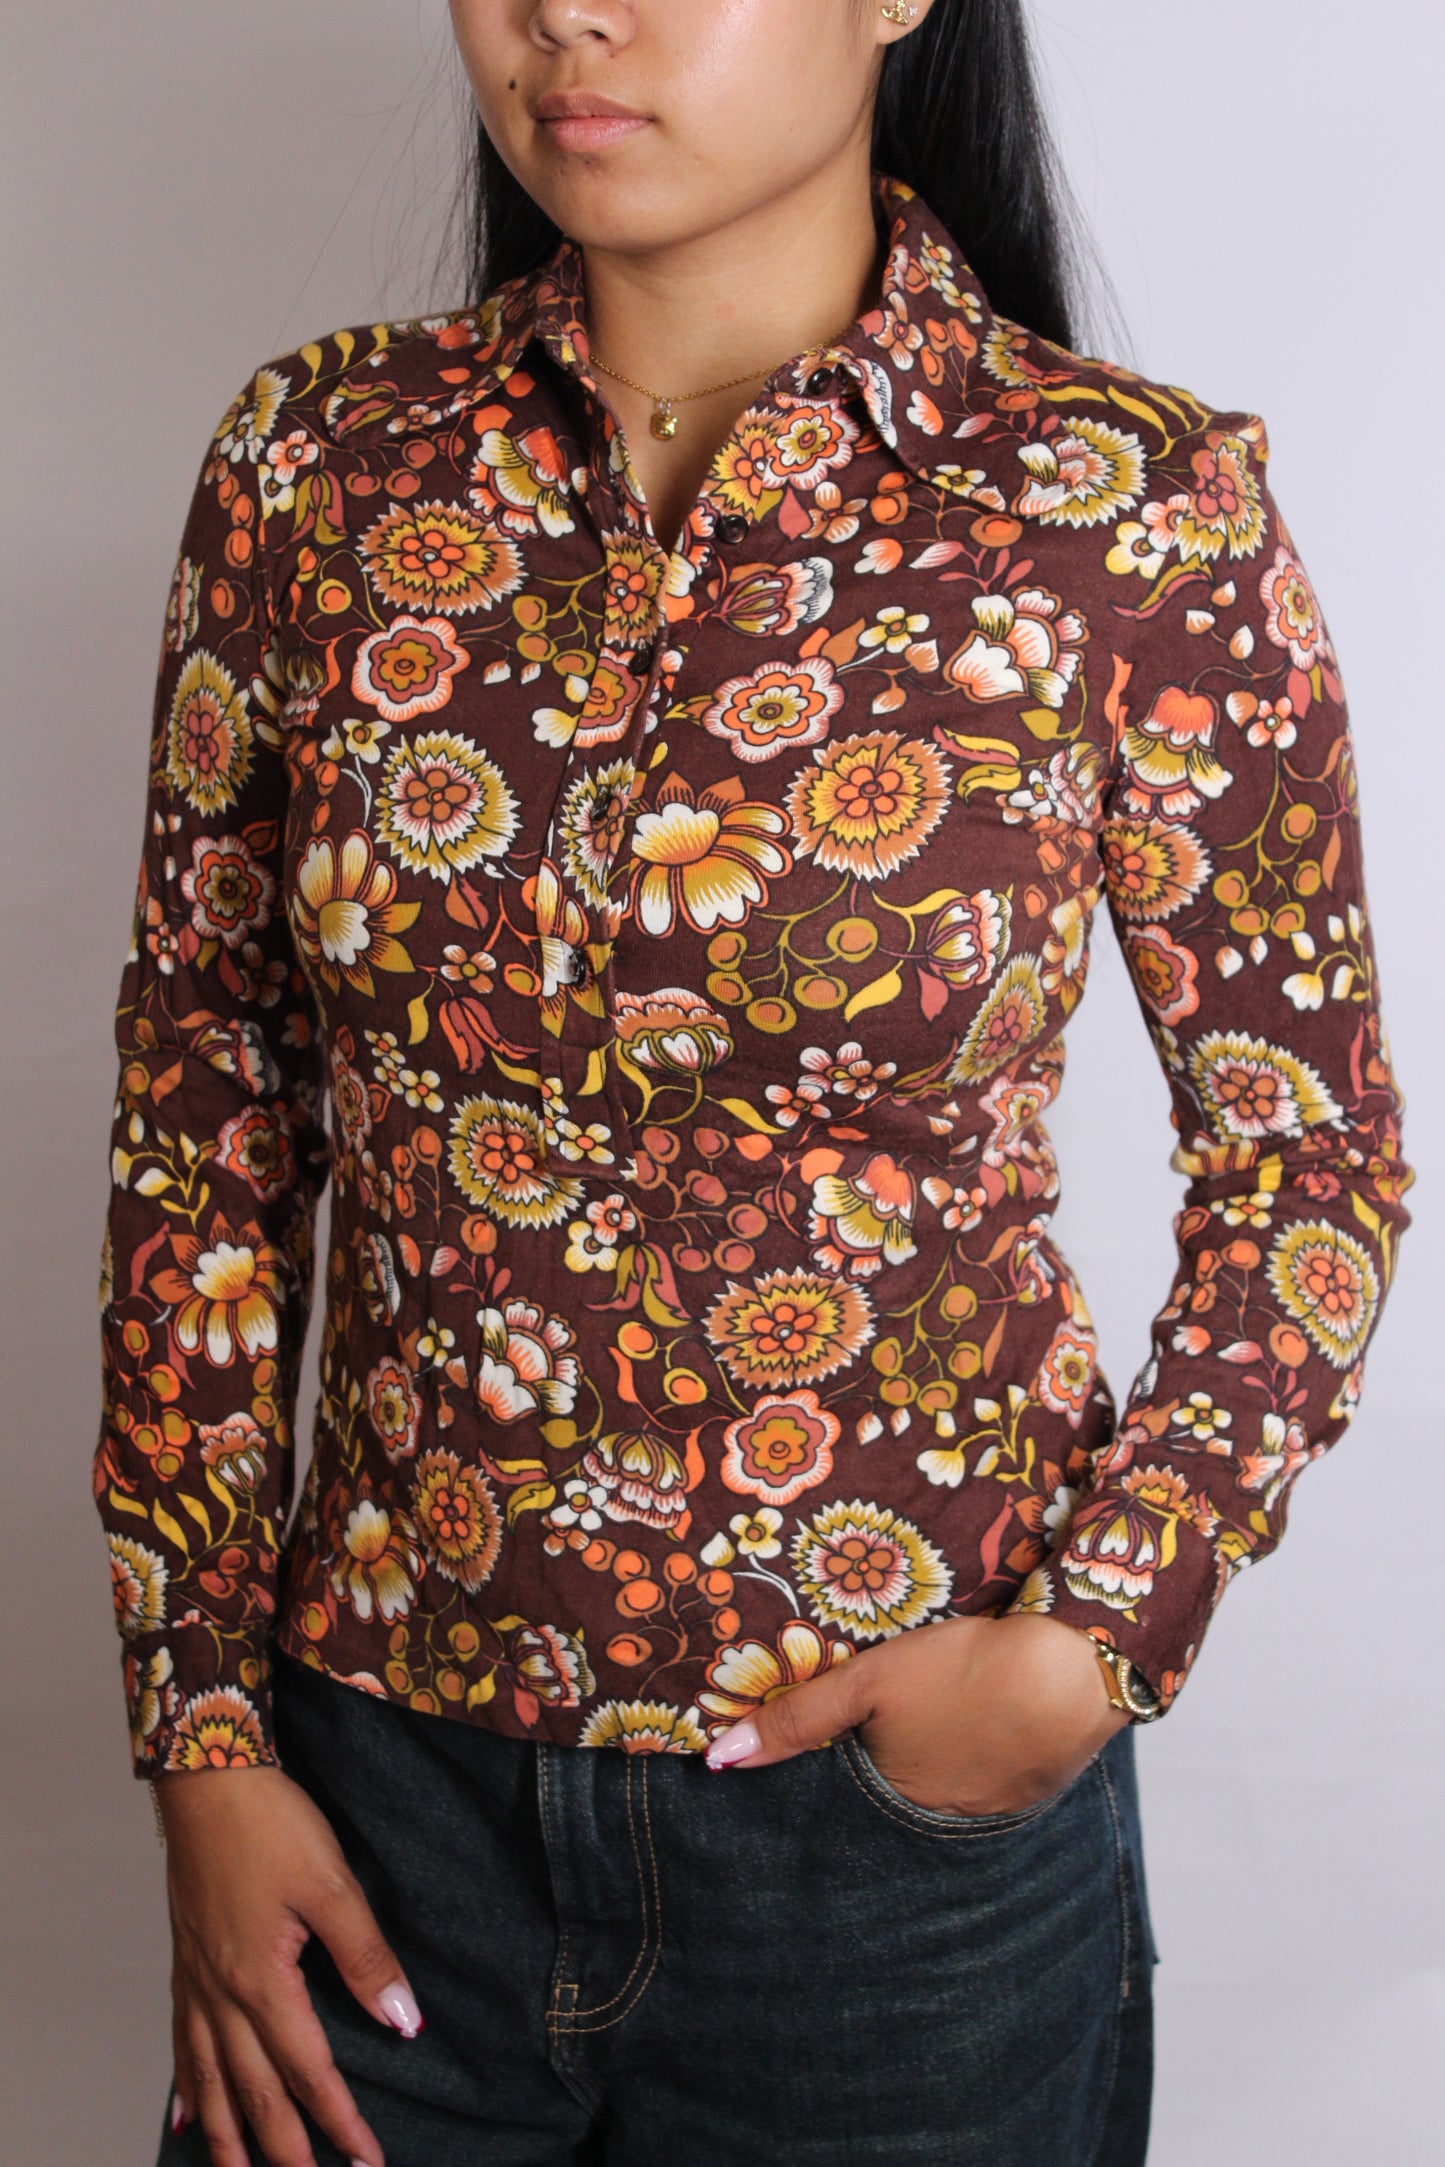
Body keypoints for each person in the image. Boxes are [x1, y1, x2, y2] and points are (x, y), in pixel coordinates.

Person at [93, 3, 1413, 2163]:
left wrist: (1092, 1640)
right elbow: (205, 1115)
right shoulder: (320, 466)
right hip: (373, 1806)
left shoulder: (1124, 510)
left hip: (896, 1856)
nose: (566, 11)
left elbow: (1310, 1156)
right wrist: (203, 1736)